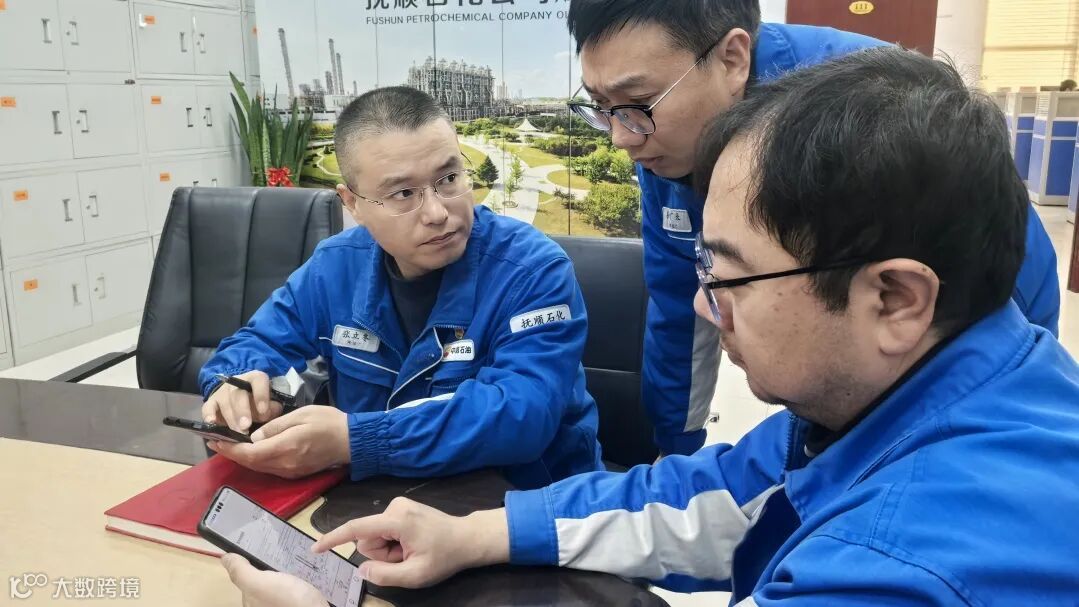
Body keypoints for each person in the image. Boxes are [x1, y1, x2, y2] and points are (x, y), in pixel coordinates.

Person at [221, 48, 1079, 606]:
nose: (703, 307)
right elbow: (705, 496)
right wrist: (471, 533)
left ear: (892, 298)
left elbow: (521, 412)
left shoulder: (899, 566)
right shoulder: (901, 400)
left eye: (730, 274)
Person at [565, 0, 1062, 457]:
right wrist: (674, 446)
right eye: (602, 106)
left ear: (733, 59)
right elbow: (678, 304)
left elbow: (985, 294)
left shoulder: (866, 110)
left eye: (638, 101)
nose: (621, 137)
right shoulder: (662, 141)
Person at [197, 87, 603, 489]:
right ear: (352, 203)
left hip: (525, 505)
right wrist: (235, 385)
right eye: (404, 193)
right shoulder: (335, 267)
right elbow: (256, 342)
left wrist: (356, 440)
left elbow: (522, 414)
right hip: (379, 501)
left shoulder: (533, 270)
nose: (437, 212)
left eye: (449, 178)